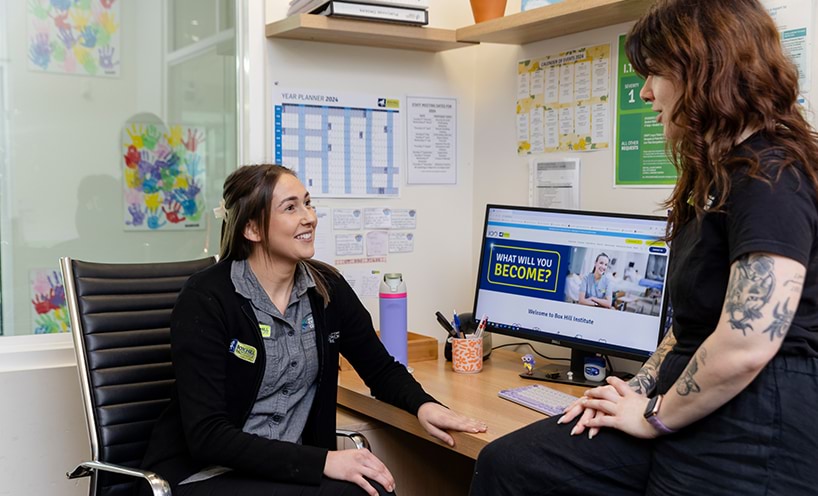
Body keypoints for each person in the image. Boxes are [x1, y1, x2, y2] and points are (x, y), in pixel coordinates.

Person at [469, 0, 818, 494]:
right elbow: (692, 324)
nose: (646, 91)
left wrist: (653, 415)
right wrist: (635, 387)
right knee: (510, 463)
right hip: (692, 409)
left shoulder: (771, 176)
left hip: (755, 429)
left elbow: (747, 343)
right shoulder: (723, 174)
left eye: (655, 73)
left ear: (703, 71)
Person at [140, 164, 487, 496]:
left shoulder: (326, 288)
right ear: (253, 229)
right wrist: (324, 461)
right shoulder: (207, 298)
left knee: (375, 486)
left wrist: (424, 406)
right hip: (203, 476)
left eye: (307, 203)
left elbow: (379, 369)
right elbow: (208, 436)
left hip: (287, 471)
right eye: (290, 207)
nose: (309, 217)